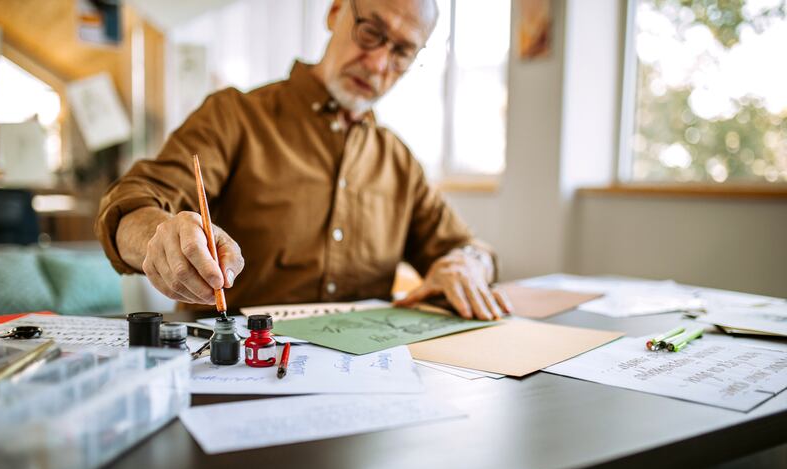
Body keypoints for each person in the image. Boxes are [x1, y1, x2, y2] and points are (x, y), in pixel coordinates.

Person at [95, 0, 512, 321]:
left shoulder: (398, 162)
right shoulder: (233, 116)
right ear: (335, 12)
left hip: (364, 387)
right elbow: (132, 201)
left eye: (402, 51)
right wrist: (159, 235)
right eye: (370, 31)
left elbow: (470, 248)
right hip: (232, 375)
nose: (379, 63)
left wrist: (468, 264)